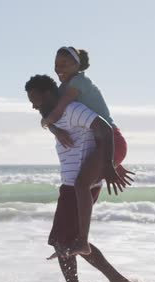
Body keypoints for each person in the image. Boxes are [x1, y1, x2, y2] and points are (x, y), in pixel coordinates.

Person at [25, 74, 132, 282]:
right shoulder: (54, 117)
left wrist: (110, 164)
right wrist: (53, 128)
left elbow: (103, 129)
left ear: (48, 94)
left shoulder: (72, 110)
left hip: (79, 185)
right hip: (71, 183)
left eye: (35, 99)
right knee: (66, 241)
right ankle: (117, 281)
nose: (33, 105)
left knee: (61, 241)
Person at [42, 46, 131, 257]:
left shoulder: (78, 83)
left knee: (81, 183)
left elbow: (59, 109)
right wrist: (52, 126)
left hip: (112, 141)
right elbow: (53, 113)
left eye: (64, 64)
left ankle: (81, 241)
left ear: (77, 65)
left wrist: (46, 122)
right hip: (101, 145)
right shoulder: (64, 86)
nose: (59, 69)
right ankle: (70, 240)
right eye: (56, 65)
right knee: (79, 184)